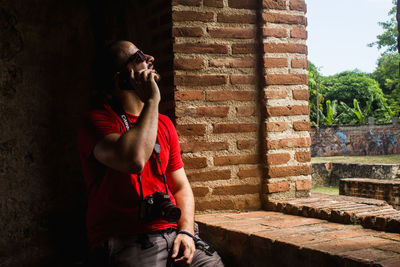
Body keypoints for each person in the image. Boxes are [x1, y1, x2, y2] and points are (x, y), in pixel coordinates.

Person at [78, 40, 223, 267]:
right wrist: (153, 101)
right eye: (139, 58)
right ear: (121, 79)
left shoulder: (164, 124)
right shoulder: (97, 121)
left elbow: (181, 186)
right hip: (125, 239)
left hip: (172, 232)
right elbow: (133, 160)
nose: (150, 59)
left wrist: (186, 232)